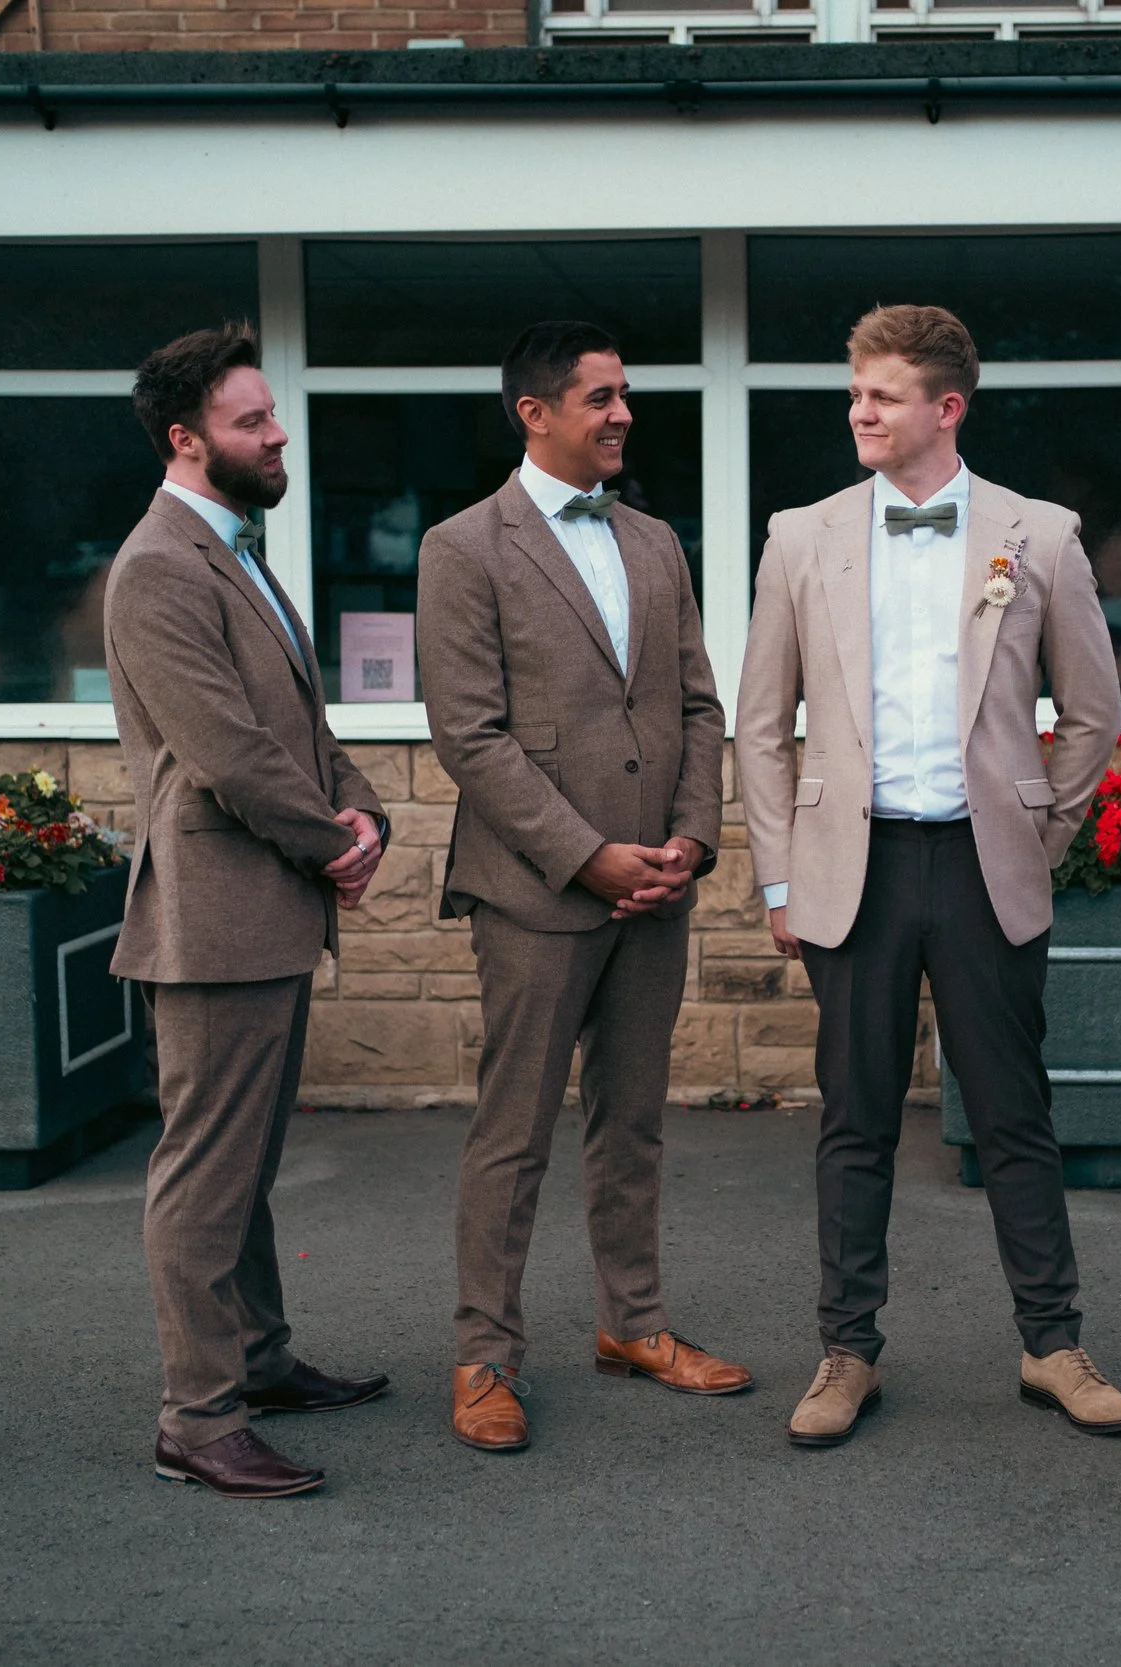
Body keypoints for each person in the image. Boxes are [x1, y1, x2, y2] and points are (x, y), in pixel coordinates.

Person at [736, 304, 1121, 1449]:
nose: (859, 410)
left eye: (883, 394)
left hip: (981, 865)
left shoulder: (1038, 534)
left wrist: (1035, 830)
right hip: (850, 869)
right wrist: (776, 878)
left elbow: (1092, 715)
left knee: (1016, 1116)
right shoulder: (801, 535)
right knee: (853, 1122)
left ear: (945, 408)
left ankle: (1052, 1343)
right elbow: (763, 725)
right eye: (854, 392)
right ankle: (845, 1351)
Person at [416, 321, 749, 1456]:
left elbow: (700, 706)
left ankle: (634, 1324)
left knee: (635, 1120)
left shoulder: (655, 540)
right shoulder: (464, 547)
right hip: (538, 893)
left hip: (657, 888)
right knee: (513, 1135)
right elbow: (468, 732)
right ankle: (484, 1355)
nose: (622, 413)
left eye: (624, 394)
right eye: (600, 397)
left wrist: (692, 840)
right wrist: (584, 853)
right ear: (535, 411)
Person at [105, 323, 393, 1501]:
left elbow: (300, 726)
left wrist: (362, 804)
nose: (278, 435)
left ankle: (260, 1362)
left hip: (264, 908)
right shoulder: (159, 566)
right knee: (206, 1173)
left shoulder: (235, 549)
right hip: (216, 918)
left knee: (248, 1161)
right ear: (186, 439)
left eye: (272, 416)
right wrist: (335, 845)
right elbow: (228, 747)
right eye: (250, 421)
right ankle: (198, 1413)